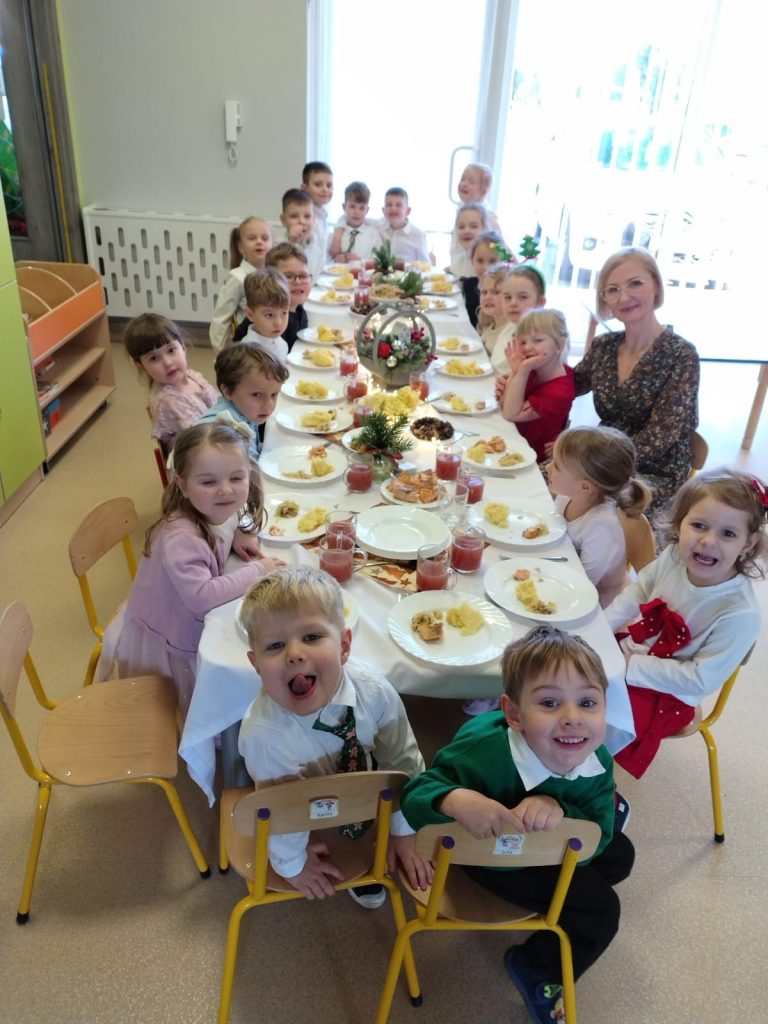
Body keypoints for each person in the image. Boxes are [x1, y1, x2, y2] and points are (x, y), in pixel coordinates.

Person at [400, 626, 634, 1024]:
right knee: (602, 913)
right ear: (513, 714)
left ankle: (564, 907)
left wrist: (558, 808)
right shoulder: (483, 753)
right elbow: (415, 796)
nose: (573, 719)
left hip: (551, 844)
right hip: (493, 858)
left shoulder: (597, 761)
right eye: (549, 703)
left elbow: (598, 829)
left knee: (621, 856)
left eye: (587, 702)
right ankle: (536, 968)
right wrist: (454, 799)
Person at [238, 566, 433, 908]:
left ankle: (369, 837)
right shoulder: (265, 735)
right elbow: (281, 808)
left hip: (364, 790)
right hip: (302, 813)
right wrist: (293, 865)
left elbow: (403, 759)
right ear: (256, 664)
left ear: (344, 646)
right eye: (275, 645)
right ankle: (350, 851)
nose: (294, 654)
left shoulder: (373, 689)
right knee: (301, 822)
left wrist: (404, 829)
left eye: (311, 637)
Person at [97, 422, 285, 719]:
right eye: (208, 482)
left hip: (179, 618)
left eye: (237, 478)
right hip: (168, 639)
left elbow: (230, 519)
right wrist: (258, 570)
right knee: (187, 709)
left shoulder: (215, 507)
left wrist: (239, 534)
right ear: (182, 485)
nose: (225, 490)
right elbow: (201, 596)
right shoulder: (180, 538)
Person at [605, 469, 765, 779]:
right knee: (563, 665)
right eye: (699, 525)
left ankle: (588, 788)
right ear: (680, 523)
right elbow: (640, 590)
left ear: (748, 542)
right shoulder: (675, 556)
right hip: (636, 653)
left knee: (594, 716)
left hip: (670, 692)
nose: (708, 541)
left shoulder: (740, 613)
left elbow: (699, 680)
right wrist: (603, 627)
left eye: (728, 534)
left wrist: (627, 665)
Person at [572, 247, 700, 514]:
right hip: (604, 460)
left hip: (653, 474)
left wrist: (590, 459)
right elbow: (568, 385)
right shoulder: (604, 345)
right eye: (613, 289)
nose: (624, 297)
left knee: (578, 496)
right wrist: (530, 371)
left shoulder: (681, 355)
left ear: (656, 285)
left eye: (635, 283)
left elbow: (658, 439)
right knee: (544, 476)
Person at [548, 426, 652, 607]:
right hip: (563, 574)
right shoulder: (566, 497)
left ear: (585, 487)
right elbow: (553, 533)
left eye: (556, 466)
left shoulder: (601, 526)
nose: (548, 467)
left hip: (598, 606)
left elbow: (583, 583)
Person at [124, 313, 218, 458]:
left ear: (183, 347)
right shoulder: (168, 401)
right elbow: (205, 438)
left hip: (215, 441)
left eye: (171, 350)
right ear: (141, 366)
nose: (168, 363)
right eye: (154, 358)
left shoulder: (192, 375)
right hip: (199, 455)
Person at [500, 307, 575, 463]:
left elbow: (510, 414)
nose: (527, 347)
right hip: (513, 441)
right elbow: (504, 404)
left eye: (537, 340)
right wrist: (515, 371)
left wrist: (521, 372)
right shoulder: (535, 367)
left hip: (530, 458)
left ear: (560, 345)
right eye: (523, 342)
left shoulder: (561, 390)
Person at [197, 342, 288, 462]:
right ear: (228, 391)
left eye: (274, 395)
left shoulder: (245, 411)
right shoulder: (228, 433)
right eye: (257, 395)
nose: (269, 405)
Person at [209, 216, 273, 353]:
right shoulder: (237, 277)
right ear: (241, 247)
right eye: (252, 238)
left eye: (265, 238)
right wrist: (221, 354)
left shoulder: (274, 274)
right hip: (247, 346)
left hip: (270, 342)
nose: (259, 242)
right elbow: (220, 319)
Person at [491, 264, 547, 374]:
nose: (513, 303)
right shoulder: (511, 325)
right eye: (508, 297)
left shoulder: (538, 341)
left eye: (523, 297)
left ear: (540, 302)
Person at [450, 162, 502, 272]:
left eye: (471, 181)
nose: (464, 184)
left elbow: (500, 247)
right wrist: (453, 267)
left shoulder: (488, 215)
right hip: (460, 271)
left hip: (478, 273)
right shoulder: (461, 207)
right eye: (462, 179)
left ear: (484, 191)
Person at [241, 268, 290, 362]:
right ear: (250, 314)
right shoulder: (249, 353)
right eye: (269, 315)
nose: (278, 323)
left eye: (284, 313)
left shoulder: (281, 343)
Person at [462, 231, 506, 330]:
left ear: (502, 261)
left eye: (493, 261)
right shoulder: (469, 284)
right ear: (472, 260)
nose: (486, 267)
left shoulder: (506, 291)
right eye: (480, 260)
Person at [329, 180, 380, 262]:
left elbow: (377, 261)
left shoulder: (373, 235)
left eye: (361, 208)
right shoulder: (335, 234)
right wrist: (335, 260)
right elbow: (325, 260)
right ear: (344, 207)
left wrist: (360, 261)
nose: (357, 212)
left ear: (367, 210)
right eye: (352, 206)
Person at [280, 188, 325, 279]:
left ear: (313, 220)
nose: (302, 221)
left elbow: (318, 273)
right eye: (294, 216)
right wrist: (293, 242)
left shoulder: (316, 246)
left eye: (307, 216)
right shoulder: (279, 248)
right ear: (283, 220)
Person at [377, 187, 429, 264]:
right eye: (389, 205)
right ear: (383, 210)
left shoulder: (418, 235)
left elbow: (426, 265)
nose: (393, 208)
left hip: (408, 271)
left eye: (398, 205)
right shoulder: (378, 229)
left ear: (408, 211)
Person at [301, 160, 334, 263]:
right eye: (318, 184)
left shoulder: (322, 215)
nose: (325, 189)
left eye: (329, 185)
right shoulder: (302, 217)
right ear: (304, 188)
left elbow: (321, 252)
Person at [476, 263, 511, 356]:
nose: (487, 297)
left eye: (495, 292)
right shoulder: (490, 325)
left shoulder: (510, 333)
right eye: (484, 292)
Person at [449, 203, 488, 278]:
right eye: (461, 227)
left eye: (474, 226)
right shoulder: (458, 263)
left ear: (484, 229)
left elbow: (509, 259)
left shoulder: (494, 250)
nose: (466, 231)